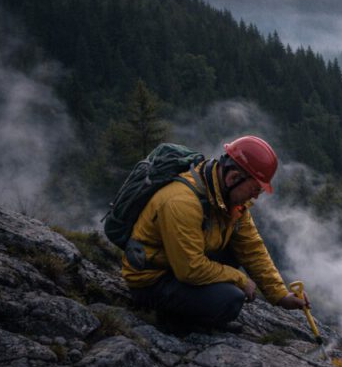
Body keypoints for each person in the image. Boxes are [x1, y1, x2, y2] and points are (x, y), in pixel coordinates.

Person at [122, 135, 308, 332]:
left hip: (175, 266)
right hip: (151, 280)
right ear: (233, 177)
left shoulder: (231, 202)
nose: (255, 196)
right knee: (230, 299)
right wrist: (239, 278)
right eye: (255, 189)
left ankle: (191, 312)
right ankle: (173, 321)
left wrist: (281, 295)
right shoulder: (182, 202)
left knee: (235, 252)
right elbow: (190, 269)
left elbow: (251, 248)